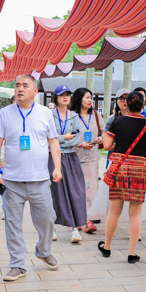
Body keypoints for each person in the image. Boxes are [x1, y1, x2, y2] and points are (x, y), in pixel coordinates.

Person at [0, 74, 62, 282]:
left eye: (25, 85)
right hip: (12, 181)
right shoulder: (4, 114)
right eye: (17, 85)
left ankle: (43, 250)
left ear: (34, 91)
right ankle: (18, 265)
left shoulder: (45, 114)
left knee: (48, 220)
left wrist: (57, 167)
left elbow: (54, 142)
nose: (20, 89)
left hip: (40, 179)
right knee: (12, 224)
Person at [99, 91, 146, 263]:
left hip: (119, 166)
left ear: (126, 104)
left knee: (115, 211)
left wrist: (121, 148)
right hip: (139, 168)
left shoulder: (117, 121)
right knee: (135, 214)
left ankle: (107, 247)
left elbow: (108, 145)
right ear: (143, 105)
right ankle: (132, 253)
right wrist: (140, 151)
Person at [50, 85, 87, 244]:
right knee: (54, 193)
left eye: (67, 95)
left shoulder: (75, 116)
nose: (65, 97)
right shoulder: (49, 115)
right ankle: (51, 227)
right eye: (61, 95)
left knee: (76, 192)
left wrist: (59, 139)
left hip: (71, 157)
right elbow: (47, 136)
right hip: (53, 157)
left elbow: (78, 137)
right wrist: (64, 137)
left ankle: (75, 229)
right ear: (56, 97)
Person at [71, 87, 105, 234]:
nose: (90, 100)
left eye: (91, 97)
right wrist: (80, 144)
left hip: (92, 158)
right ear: (79, 99)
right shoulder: (72, 116)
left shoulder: (96, 115)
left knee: (91, 189)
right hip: (75, 158)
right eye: (86, 97)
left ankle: (89, 218)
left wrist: (100, 139)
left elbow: (104, 132)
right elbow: (66, 136)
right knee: (78, 189)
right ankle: (79, 218)